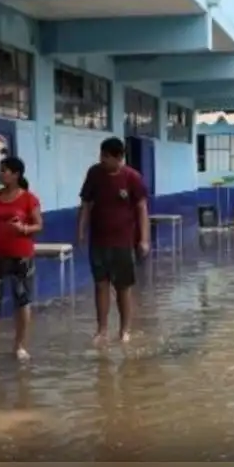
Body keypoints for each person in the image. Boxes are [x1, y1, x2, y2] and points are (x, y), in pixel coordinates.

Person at [77, 137, 150, 344]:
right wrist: (81, 230)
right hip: (98, 240)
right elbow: (86, 204)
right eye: (101, 155)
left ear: (119, 158)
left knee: (123, 287)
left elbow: (142, 209)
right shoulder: (95, 173)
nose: (102, 160)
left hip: (124, 242)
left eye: (106, 157)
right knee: (100, 285)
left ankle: (125, 330)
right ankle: (102, 330)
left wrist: (144, 239)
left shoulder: (132, 178)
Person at [0, 156, 42, 361]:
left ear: (16, 175)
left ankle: (19, 345)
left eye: (5, 170)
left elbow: (39, 225)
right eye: (0, 170)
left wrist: (23, 228)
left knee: (21, 300)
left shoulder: (29, 198)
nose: (0, 173)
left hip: (21, 255)